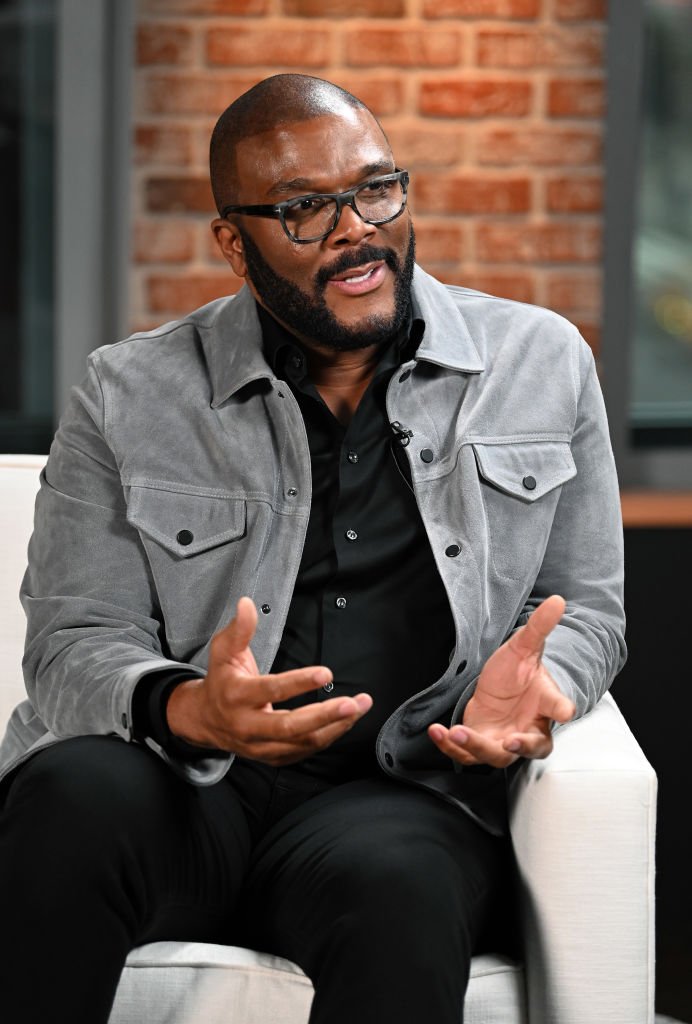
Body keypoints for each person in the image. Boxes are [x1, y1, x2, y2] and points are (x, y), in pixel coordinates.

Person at [0, 74, 625, 1024]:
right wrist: (192, 709)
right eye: (302, 209)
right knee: (68, 793)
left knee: (401, 884)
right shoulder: (125, 391)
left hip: (397, 791)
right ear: (232, 243)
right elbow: (72, 641)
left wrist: (549, 683)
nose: (354, 229)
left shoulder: (543, 361)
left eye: (375, 189)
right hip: (184, 789)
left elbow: (588, 606)